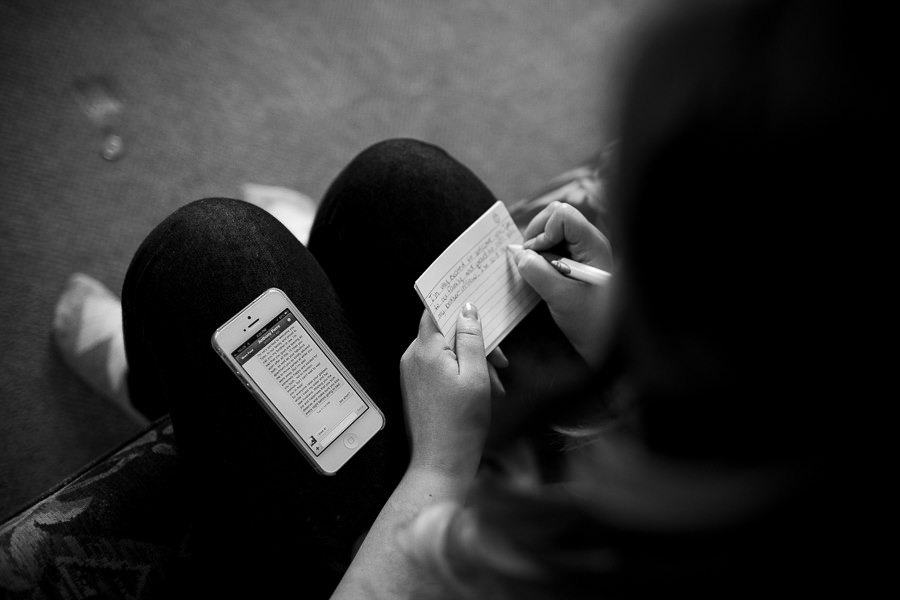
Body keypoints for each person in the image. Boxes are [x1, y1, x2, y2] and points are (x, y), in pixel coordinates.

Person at [113, 0, 884, 597]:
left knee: (209, 253)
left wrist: (438, 472)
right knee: (401, 183)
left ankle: (162, 399)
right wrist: (627, 347)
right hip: (600, 486)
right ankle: (287, 324)